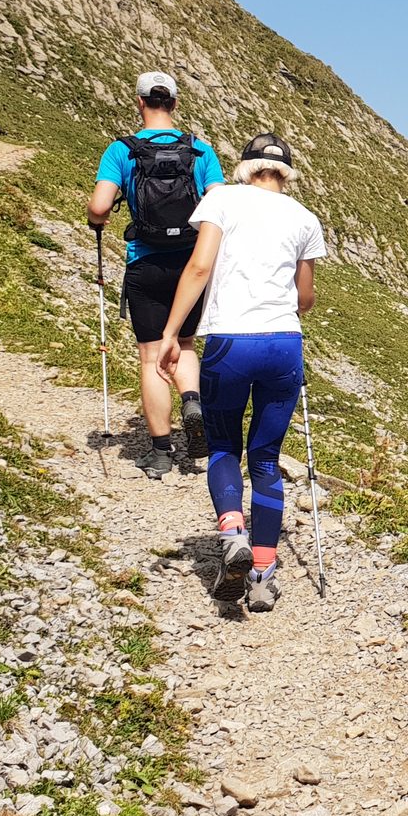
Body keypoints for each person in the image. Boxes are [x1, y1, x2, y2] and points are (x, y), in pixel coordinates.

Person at [156, 133, 325, 611]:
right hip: (283, 344)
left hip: (230, 341)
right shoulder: (304, 217)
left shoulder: (222, 199)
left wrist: (171, 333)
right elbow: (305, 298)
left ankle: (233, 531)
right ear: (287, 172)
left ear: (245, 166)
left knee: (224, 445)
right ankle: (264, 575)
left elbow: (199, 267)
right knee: (267, 459)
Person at [87, 72, 226, 477]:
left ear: (139, 102)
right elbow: (218, 203)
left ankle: (161, 452)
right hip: (191, 267)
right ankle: (193, 402)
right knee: (183, 344)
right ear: (175, 104)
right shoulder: (199, 150)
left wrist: (102, 216)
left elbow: (99, 207)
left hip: (144, 263)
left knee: (151, 358)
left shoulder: (121, 150)